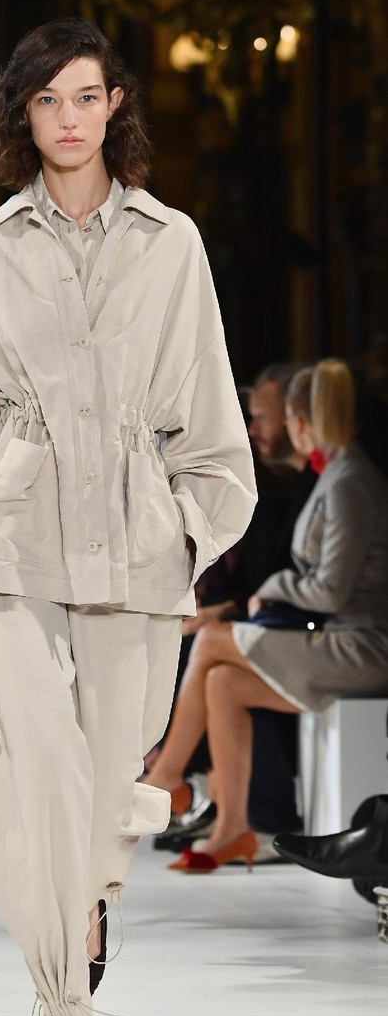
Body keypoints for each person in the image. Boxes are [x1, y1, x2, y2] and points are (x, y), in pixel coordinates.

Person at [0, 18, 256, 1016]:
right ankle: (67, 1005)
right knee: (32, 771)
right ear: (21, 115)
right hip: (9, 541)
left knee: (109, 779)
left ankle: (90, 890)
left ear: (114, 107)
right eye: (46, 100)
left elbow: (207, 406)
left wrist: (193, 524)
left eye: (84, 97)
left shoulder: (171, 242)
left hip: (138, 543)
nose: (66, 118)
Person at [144, 358, 388, 873]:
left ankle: (166, 776)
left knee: (211, 641)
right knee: (225, 685)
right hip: (342, 638)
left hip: (362, 646)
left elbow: (331, 592)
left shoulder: (350, 482)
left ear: (304, 420)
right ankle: (234, 828)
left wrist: (273, 588)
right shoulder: (341, 475)